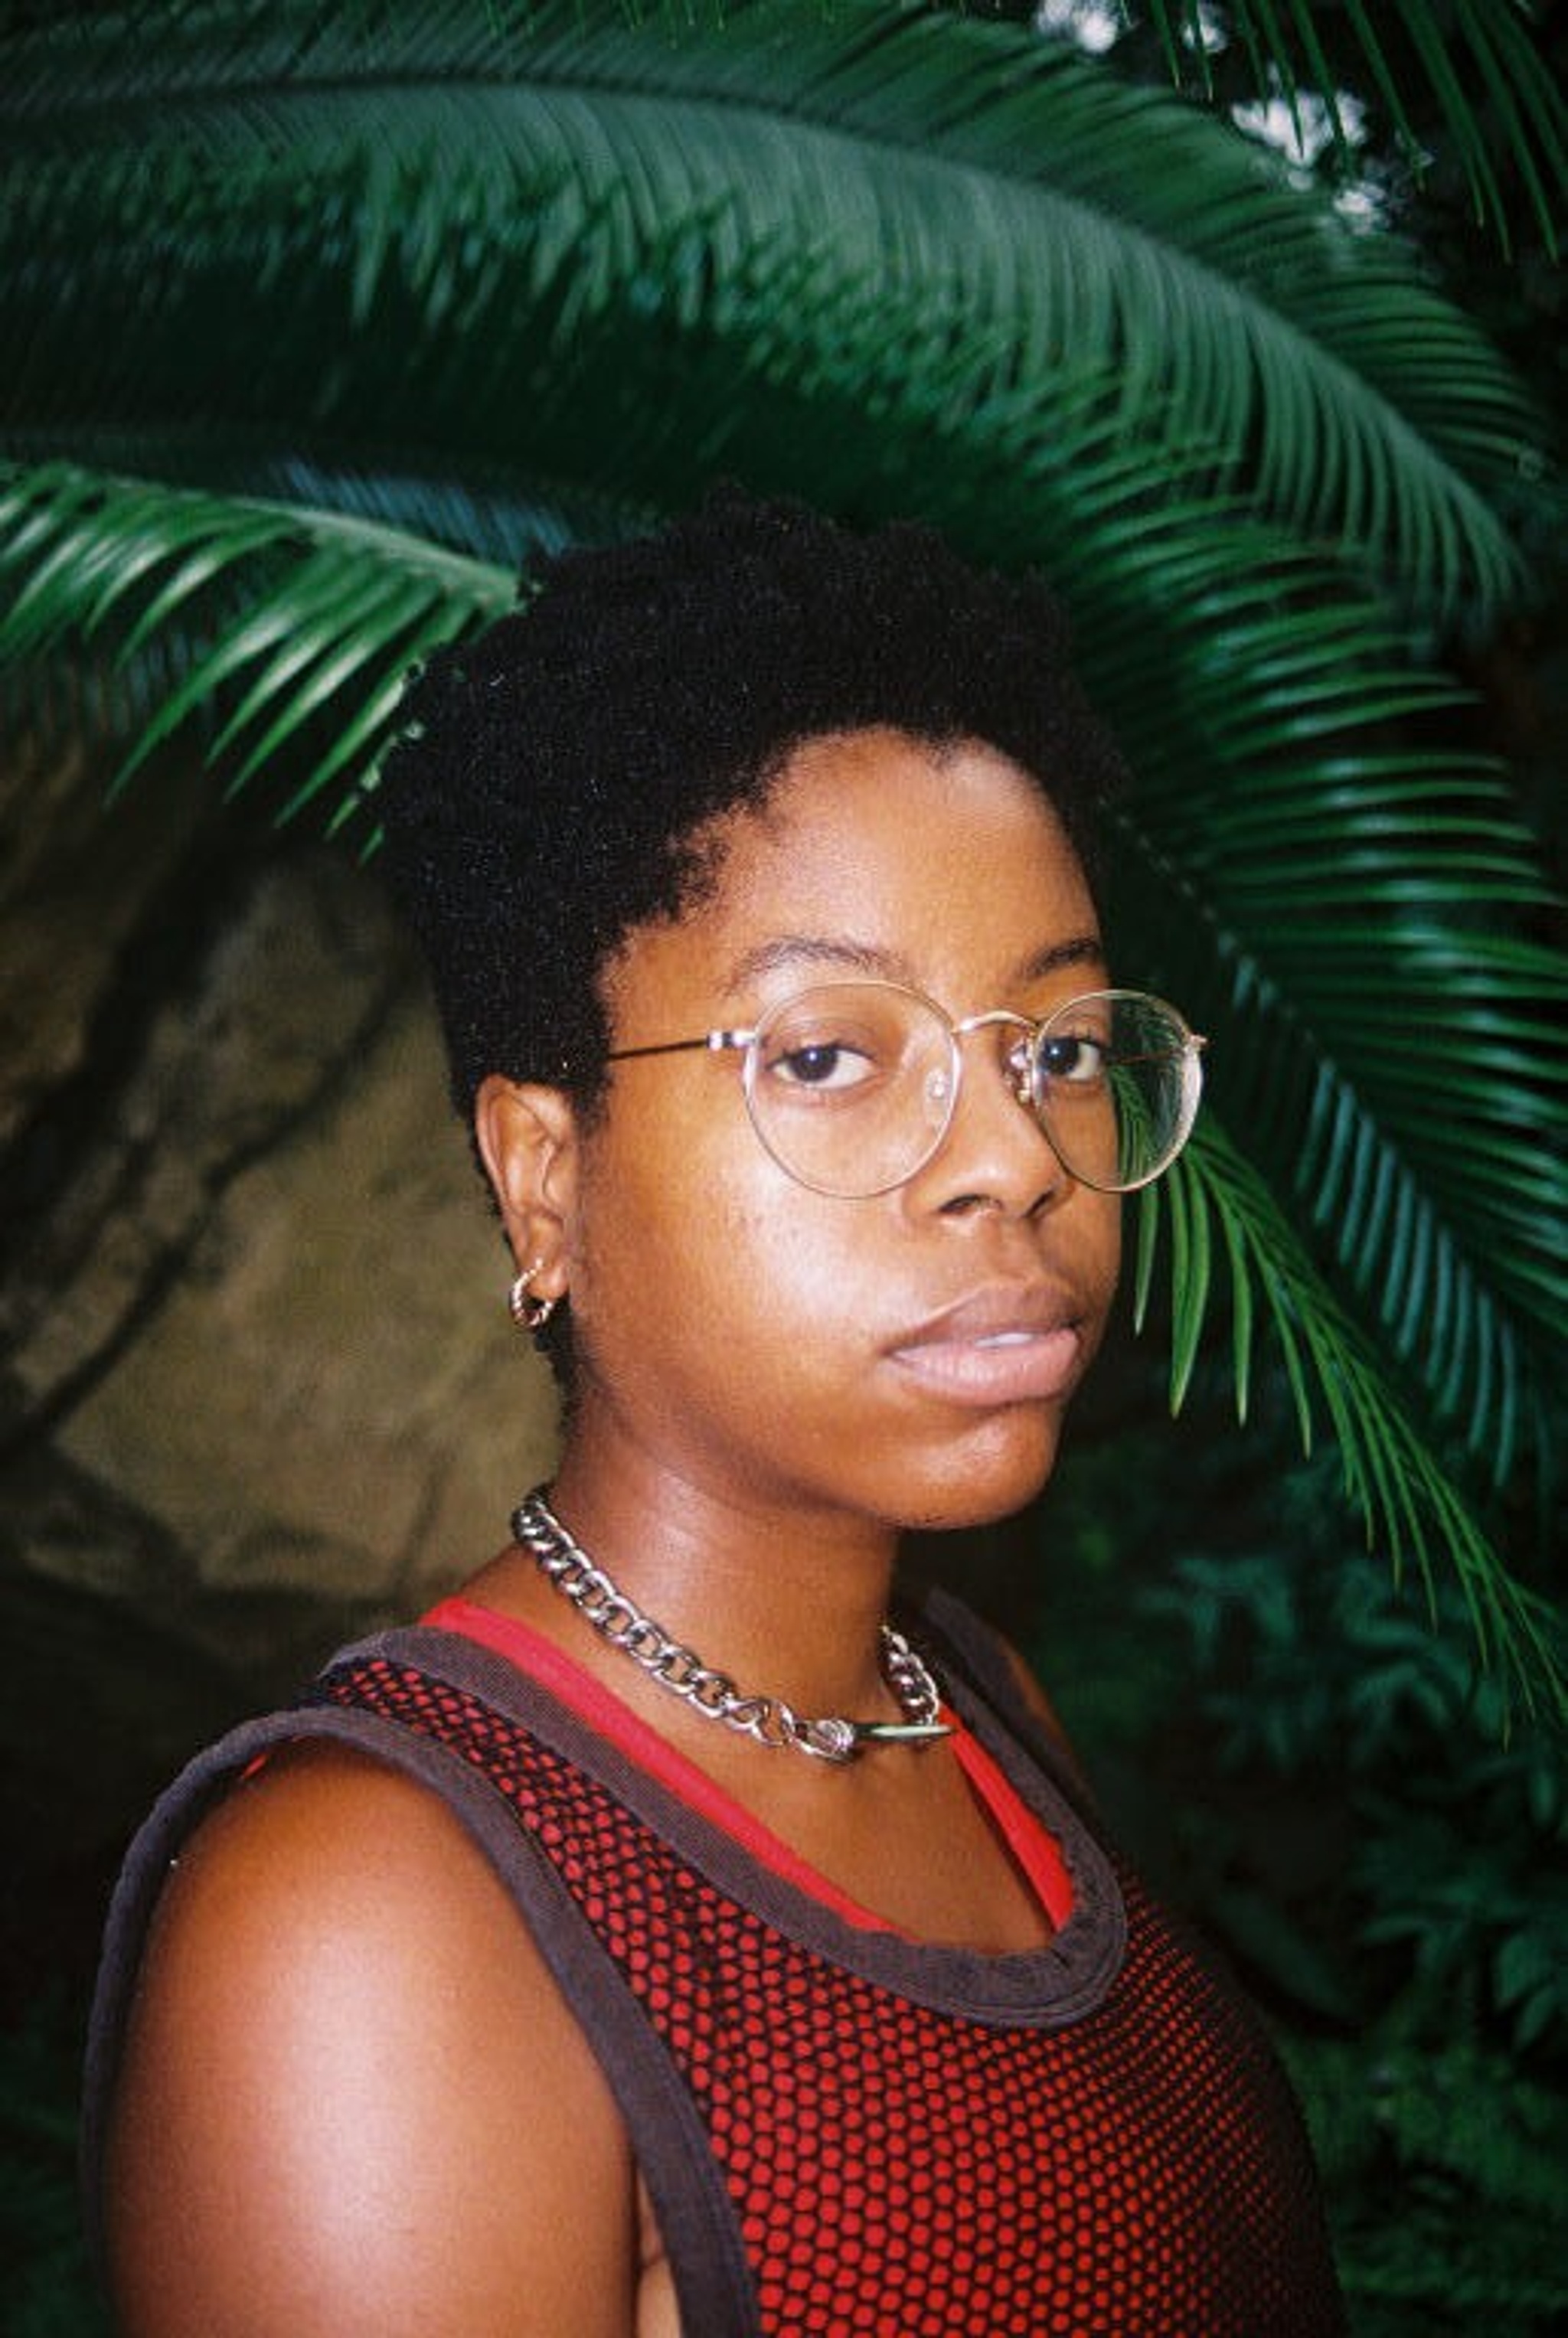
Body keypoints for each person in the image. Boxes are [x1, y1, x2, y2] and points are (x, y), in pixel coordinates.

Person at [84, 492, 1345, 2335]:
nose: (1015, 1160)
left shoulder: (979, 1710)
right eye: (828, 1054)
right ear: (542, 1179)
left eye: (1060, 1050)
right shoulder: (378, 1920)